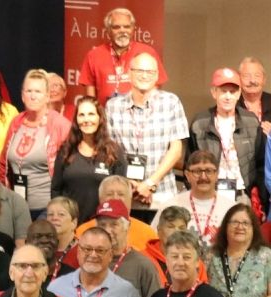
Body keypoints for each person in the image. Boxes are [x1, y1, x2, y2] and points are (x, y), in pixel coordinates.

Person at [106, 52, 188, 214]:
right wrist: (129, 182)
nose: (145, 76)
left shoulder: (171, 102)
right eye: (139, 71)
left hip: (163, 193)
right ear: (129, 73)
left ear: (157, 75)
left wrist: (150, 183)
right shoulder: (113, 106)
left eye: (150, 72)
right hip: (126, 195)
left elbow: (176, 149)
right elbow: (109, 150)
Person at [0, 70, 72, 218]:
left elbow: (70, 169)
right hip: (16, 206)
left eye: (38, 91)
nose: (33, 96)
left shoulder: (60, 124)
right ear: (22, 95)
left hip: (48, 208)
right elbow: (3, 163)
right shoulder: (16, 122)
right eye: (29, 91)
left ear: (47, 97)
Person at [190, 67, 266, 203]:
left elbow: (261, 164)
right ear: (214, 92)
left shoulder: (251, 122)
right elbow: (190, 165)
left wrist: (260, 198)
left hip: (243, 194)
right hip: (210, 194)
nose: (228, 97)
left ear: (239, 94)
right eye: (223, 91)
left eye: (232, 92)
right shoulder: (199, 123)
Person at [52, 97, 127, 223]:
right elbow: (55, 189)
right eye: (81, 115)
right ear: (76, 120)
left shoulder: (114, 152)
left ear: (100, 118)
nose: (86, 120)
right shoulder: (66, 151)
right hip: (71, 225)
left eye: (91, 114)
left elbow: (120, 194)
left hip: (103, 224)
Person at [78, 8, 167, 100]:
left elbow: (156, 86)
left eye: (127, 27)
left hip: (140, 112)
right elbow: (90, 98)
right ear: (108, 30)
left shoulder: (148, 52)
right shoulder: (93, 55)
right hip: (105, 112)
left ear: (133, 29)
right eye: (116, 27)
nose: (122, 31)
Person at [152, 150, 236, 247]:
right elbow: (155, 239)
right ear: (187, 175)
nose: (203, 177)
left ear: (217, 174)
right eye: (197, 171)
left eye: (208, 171)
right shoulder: (170, 206)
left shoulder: (232, 208)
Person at [96, 200, 162, 297]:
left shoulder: (143, 265)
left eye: (114, 225)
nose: (107, 230)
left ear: (127, 226)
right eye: (102, 225)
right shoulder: (90, 261)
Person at [74, 176, 159, 252]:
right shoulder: (83, 231)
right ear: (100, 199)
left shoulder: (148, 234)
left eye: (121, 194)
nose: (115, 198)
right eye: (109, 194)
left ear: (130, 199)